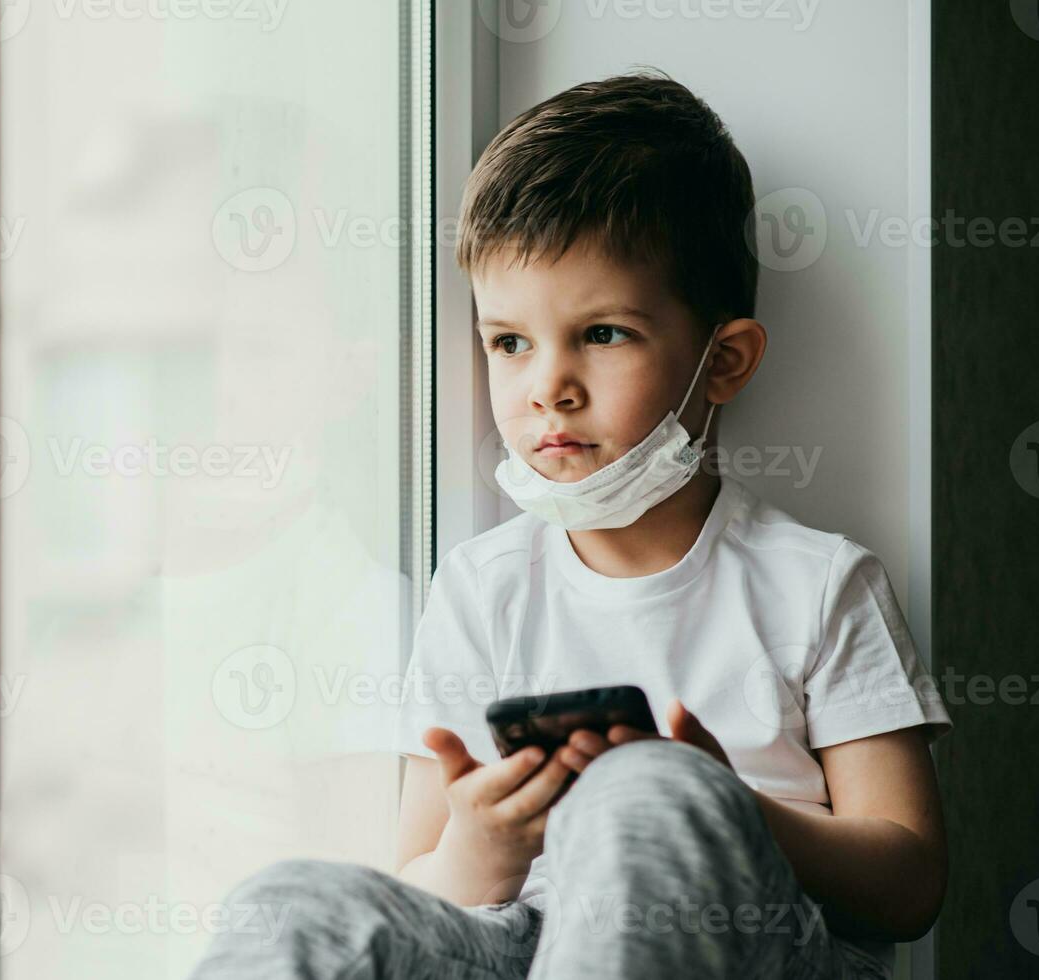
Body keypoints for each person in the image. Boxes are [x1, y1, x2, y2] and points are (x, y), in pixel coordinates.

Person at [185, 70, 951, 980]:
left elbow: (910, 885)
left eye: (604, 334)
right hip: (529, 946)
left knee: (647, 796)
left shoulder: (818, 583)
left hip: (746, 946)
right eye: (510, 342)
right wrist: (485, 843)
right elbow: (424, 879)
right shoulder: (482, 588)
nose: (548, 385)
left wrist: (726, 805)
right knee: (295, 912)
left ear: (725, 360)